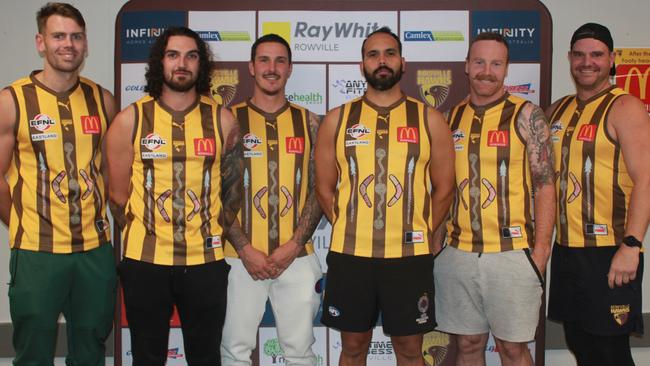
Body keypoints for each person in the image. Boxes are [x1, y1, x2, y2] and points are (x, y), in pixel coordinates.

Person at [315, 27, 455, 366]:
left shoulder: (429, 118)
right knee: (352, 348)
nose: (382, 61)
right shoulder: (338, 119)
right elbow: (323, 187)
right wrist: (352, 226)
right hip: (351, 256)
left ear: (403, 63)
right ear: (362, 64)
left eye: (390, 53)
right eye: (373, 54)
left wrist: (420, 229)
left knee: (409, 351)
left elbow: (445, 187)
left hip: (409, 258)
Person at [106, 26, 242, 366]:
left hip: (205, 265)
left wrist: (210, 235)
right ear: (159, 62)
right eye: (173, 55)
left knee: (206, 356)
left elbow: (233, 194)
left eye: (191, 56)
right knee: (147, 358)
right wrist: (147, 234)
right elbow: (117, 194)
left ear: (201, 65)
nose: (182, 63)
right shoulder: (130, 119)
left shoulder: (223, 120)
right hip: (145, 264)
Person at [0, 2, 118, 365]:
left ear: (85, 44)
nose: (68, 44)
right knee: (33, 351)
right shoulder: (12, 101)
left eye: (76, 36)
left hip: (94, 251)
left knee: (89, 349)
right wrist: (23, 220)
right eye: (59, 36)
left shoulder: (103, 100)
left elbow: (113, 174)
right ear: (41, 42)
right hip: (37, 252)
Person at [433, 32, 555, 366]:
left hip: (512, 254)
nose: (487, 71)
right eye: (480, 62)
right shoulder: (450, 118)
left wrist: (541, 251)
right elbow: (442, 187)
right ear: (467, 67)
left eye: (496, 63)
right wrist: (437, 242)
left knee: (512, 349)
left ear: (506, 69)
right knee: (469, 344)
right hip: (458, 253)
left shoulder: (528, 115)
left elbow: (545, 185)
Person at [546, 23, 650, 366]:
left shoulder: (625, 107)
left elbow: (646, 179)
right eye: (579, 54)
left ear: (611, 59)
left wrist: (632, 244)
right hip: (567, 251)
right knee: (580, 343)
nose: (586, 62)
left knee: (610, 352)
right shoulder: (557, 110)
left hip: (611, 251)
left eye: (596, 54)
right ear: (570, 58)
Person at [220, 34, 323, 366]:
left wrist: (293, 246)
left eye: (280, 61)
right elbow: (214, 192)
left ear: (290, 69)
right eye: (264, 60)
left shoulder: (310, 122)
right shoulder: (227, 120)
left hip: (297, 256)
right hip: (237, 257)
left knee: (300, 352)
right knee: (235, 350)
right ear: (251, 67)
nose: (272, 68)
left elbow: (321, 189)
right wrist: (245, 249)